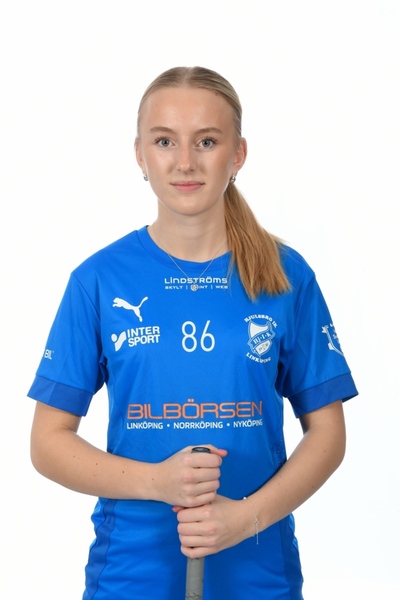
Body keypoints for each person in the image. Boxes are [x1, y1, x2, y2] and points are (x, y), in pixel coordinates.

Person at [28, 66, 358, 600]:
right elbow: (47, 443)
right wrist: (156, 482)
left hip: (259, 573)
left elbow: (328, 434)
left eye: (206, 141)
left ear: (238, 154)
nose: (185, 162)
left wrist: (245, 518)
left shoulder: (286, 276)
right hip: (129, 574)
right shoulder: (98, 280)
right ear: (140, 155)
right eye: (165, 141)